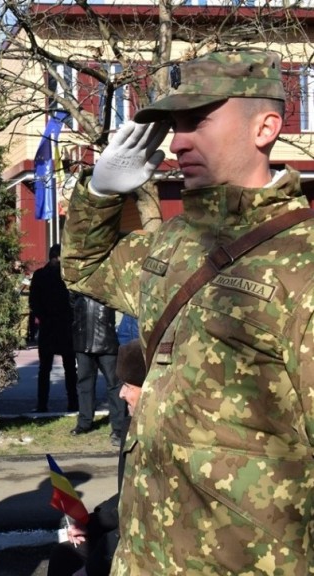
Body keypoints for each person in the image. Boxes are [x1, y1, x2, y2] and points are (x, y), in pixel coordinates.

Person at [61, 49, 313, 574]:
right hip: (145, 557)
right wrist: (100, 192)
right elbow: (84, 268)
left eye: (197, 121)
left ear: (265, 127)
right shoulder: (173, 244)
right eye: (175, 125)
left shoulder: (302, 261)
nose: (178, 142)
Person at [47, 340, 147, 576]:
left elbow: (143, 514)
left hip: (148, 548)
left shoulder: (164, 440)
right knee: (65, 555)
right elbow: (127, 495)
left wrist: (94, 567)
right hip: (127, 535)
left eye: (129, 386)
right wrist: (88, 524)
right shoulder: (134, 425)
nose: (121, 394)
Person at [69, 293, 126, 446]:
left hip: (106, 340)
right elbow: (71, 301)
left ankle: (119, 427)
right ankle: (84, 422)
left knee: (114, 384)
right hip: (83, 339)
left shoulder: (105, 280)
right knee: (84, 383)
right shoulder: (77, 283)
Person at [29, 244, 77, 412]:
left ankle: (43, 404)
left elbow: (33, 302)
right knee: (69, 367)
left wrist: (43, 317)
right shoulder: (65, 276)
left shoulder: (40, 275)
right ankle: (73, 402)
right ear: (57, 257)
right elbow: (73, 301)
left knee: (46, 369)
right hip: (63, 326)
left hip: (49, 327)